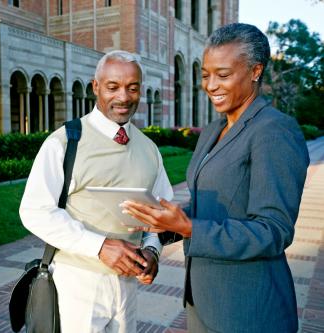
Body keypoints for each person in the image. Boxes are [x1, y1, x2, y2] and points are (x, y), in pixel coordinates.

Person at [121, 23, 309, 333]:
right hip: (203, 300)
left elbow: (273, 231)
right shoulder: (212, 130)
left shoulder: (274, 131)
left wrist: (188, 226)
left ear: (255, 71)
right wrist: (166, 224)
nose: (211, 85)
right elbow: (210, 203)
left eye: (223, 75)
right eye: (206, 75)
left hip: (248, 310)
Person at [19, 50, 173, 333]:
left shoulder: (149, 149)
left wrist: (152, 249)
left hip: (127, 288)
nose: (123, 97)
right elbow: (34, 211)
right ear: (96, 87)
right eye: (113, 87)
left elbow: (161, 212)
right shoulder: (65, 142)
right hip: (77, 283)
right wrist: (99, 246)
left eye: (132, 87)